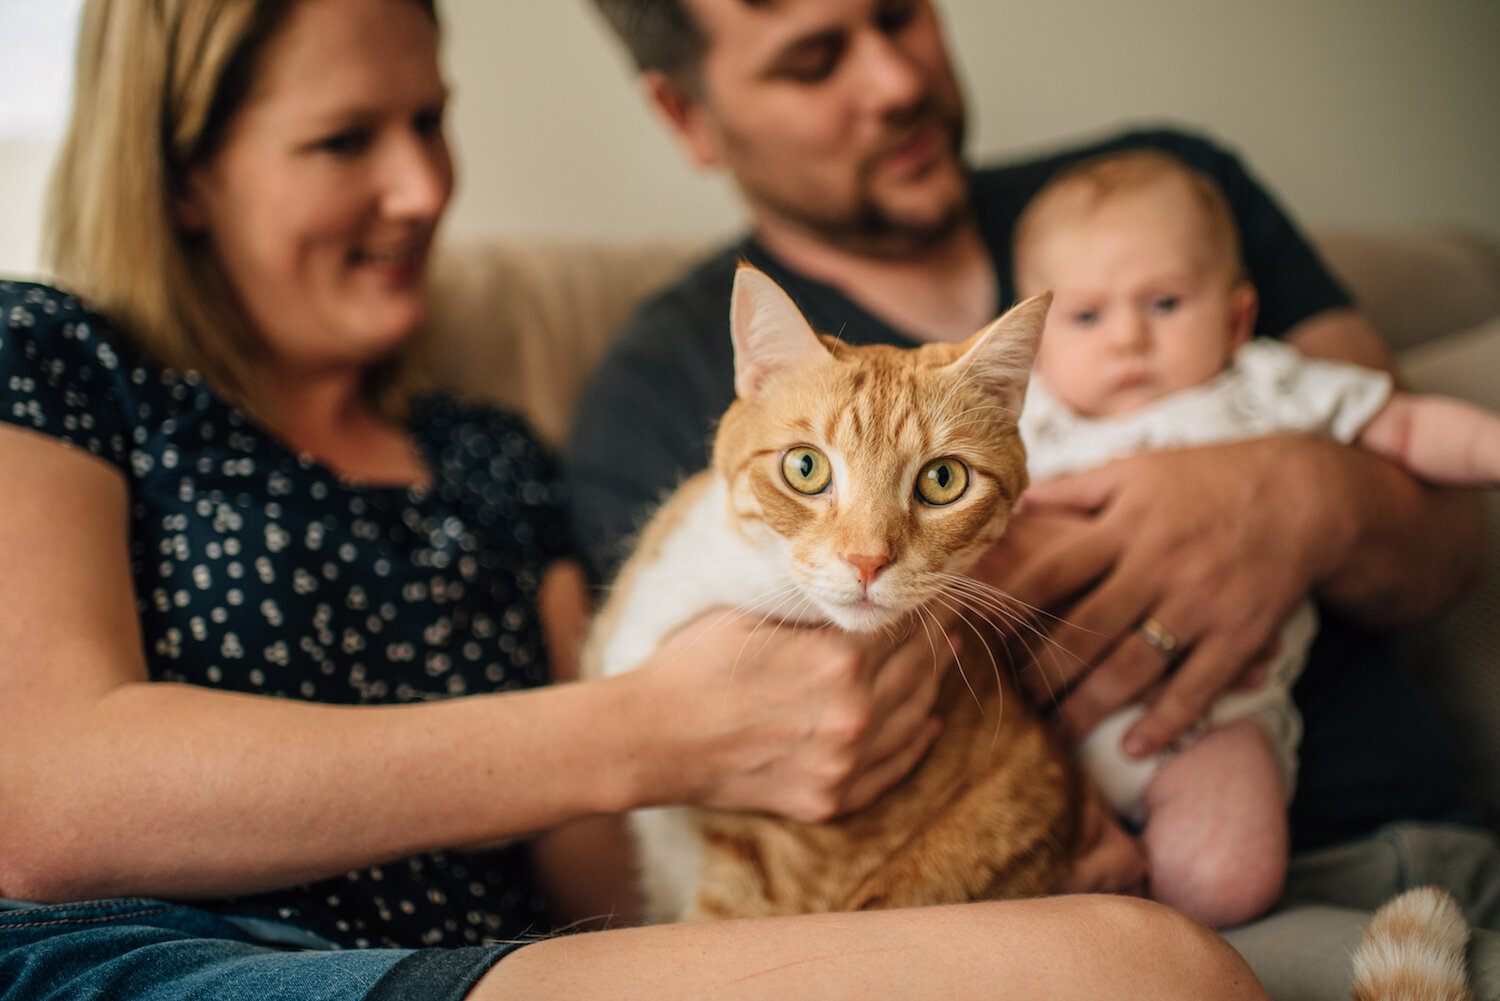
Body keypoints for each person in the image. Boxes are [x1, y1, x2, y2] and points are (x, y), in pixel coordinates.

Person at [0, 1, 1270, 999]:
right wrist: (647, 729)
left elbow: (605, 864)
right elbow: (40, 802)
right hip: (172, 960)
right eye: (346, 139)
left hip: (494, 956)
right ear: (184, 174)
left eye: (432, 122)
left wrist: (969, 833)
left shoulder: (487, 452)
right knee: (1151, 972)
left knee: (1131, 958)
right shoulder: (56, 356)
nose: (425, 188)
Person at [571, 0, 1500, 987]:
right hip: (1081, 908)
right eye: (814, 61)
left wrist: (1299, 491)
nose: (894, 81)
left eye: (899, 17)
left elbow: (1448, 529)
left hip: (1403, 840)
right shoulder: (654, 387)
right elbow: (690, 776)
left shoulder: (1163, 200)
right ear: (686, 114)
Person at [1009, 148, 1500, 930]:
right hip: (1035, 731)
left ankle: (1152, 934)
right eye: (1088, 315)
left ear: (1236, 317)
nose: (1128, 338)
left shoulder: (1263, 386)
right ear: (1034, 339)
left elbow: (1403, 425)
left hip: (1214, 716)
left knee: (1225, 879)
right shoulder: (1031, 418)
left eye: (1165, 303)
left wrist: (1487, 446)